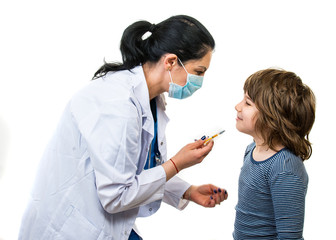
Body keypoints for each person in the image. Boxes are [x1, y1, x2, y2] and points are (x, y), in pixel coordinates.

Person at [19, 15, 228, 240]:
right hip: (74, 227)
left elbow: (140, 170)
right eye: (198, 71)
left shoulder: (151, 99)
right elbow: (117, 195)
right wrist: (178, 164)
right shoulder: (117, 104)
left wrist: (187, 191)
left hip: (108, 222)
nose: (200, 80)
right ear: (170, 62)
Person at [233, 69, 316, 239]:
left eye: (247, 103)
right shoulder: (252, 149)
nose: (237, 106)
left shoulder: (285, 167)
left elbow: (289, 237)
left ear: (272, 117)